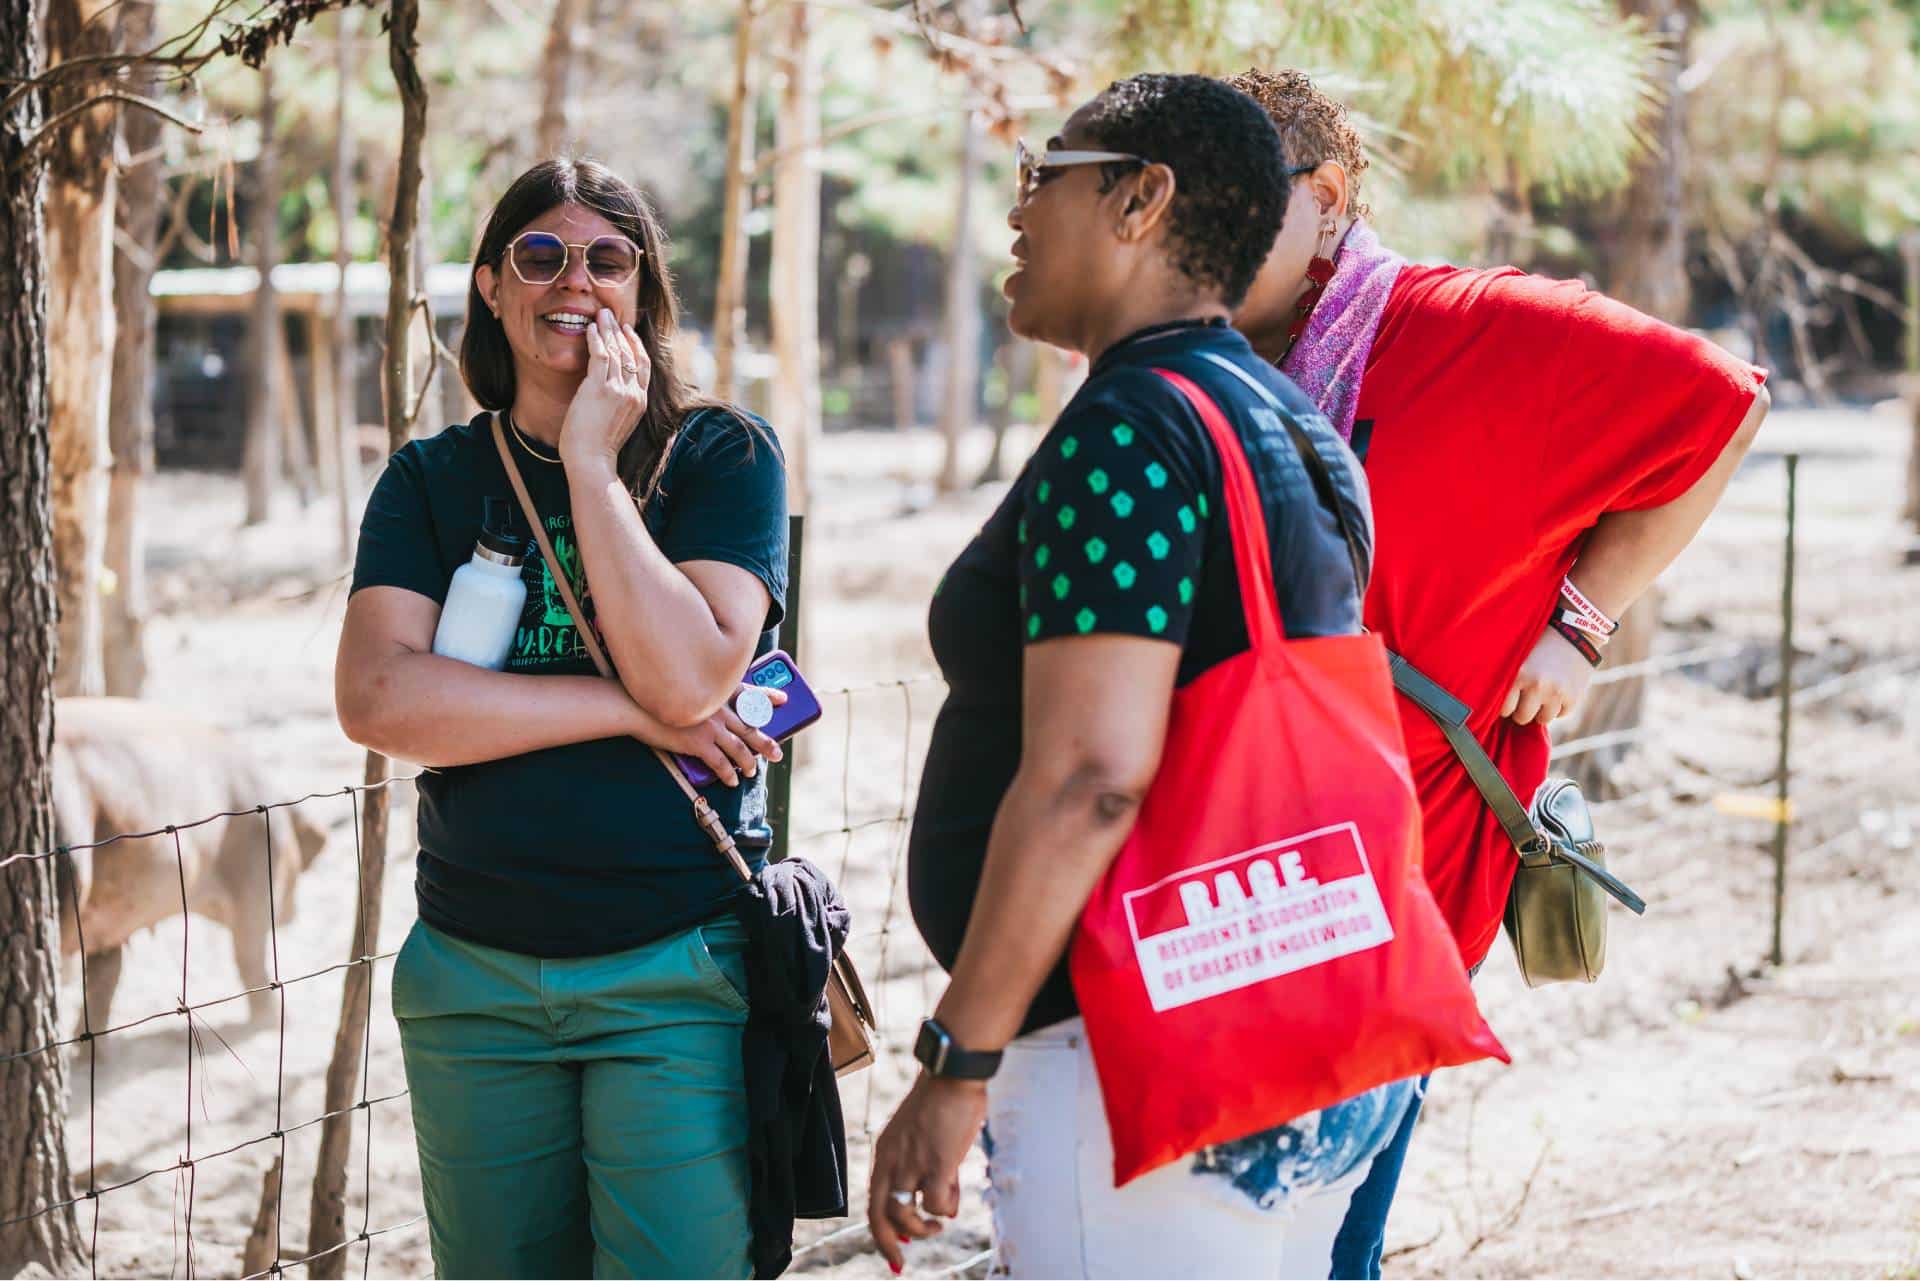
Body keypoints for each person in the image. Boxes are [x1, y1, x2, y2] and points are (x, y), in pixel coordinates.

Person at [1222, 68, 1771, 1279]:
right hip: (1220, 881)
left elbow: (1721, 404)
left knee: (1321, 1248)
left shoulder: (1475, 323)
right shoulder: (1192, 360)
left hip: (1403, 876)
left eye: (1225, 201)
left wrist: (1581, 619)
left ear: (1324, 197)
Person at [870, 73, 1416, 1280]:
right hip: (1299, 1023)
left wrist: (955, 1064)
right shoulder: (1290, 417)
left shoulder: (1129, 425)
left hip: (1139, 1063)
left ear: (1140, 200)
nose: (1017, 212)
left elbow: (1089, 779)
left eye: (1043, 173)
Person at [336, 158, 791, 1278]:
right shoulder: (431, 480)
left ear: (643, 294)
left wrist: (591, 464)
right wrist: (624, 714)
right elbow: (379, 701)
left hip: (673, 967)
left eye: (607, 257)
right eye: (540, 255)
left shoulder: (722, 457)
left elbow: (690, 679)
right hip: (473, 976)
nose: (573, 280)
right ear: (490, 285)